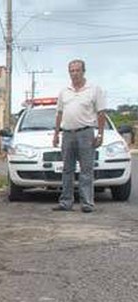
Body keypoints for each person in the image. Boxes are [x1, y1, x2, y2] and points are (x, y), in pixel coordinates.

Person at [52, 59, 106, 213]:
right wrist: (56, 134)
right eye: (72, 71)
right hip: (68, 134)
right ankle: (66, 202)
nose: (74, 74)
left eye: (77, 70)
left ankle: (87, 203)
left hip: (86, 133)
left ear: (83, 71)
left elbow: (101, 113)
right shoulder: (64, 91)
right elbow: (59, 113)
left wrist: (100, 134)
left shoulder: (94, 89)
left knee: (86, 170)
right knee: (67, 170)